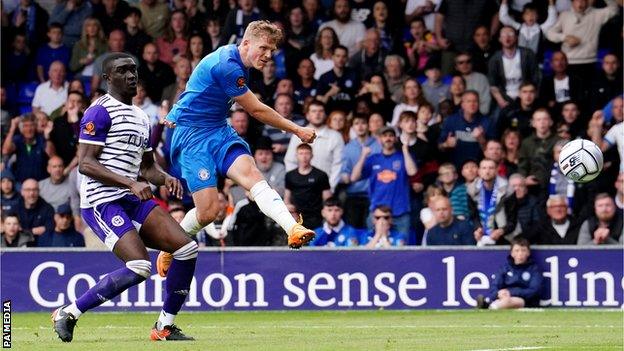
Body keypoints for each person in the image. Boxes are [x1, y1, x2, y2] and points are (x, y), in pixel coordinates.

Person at [51, 53, 197, 342]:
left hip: (130, 197)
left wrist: (165, 178)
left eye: (133, 70)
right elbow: (86, 164)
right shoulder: (98, 112)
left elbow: (146, 167)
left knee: (187, 248)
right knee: (140, 266)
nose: (132, 75)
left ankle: (164, 327)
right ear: (107, 79)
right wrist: (131, 183)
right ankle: (69, 312)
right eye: (123, 71)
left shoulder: (142, 117)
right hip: (101, 201)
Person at [158, 21, 317, 276]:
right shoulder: (227, 66)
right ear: (245, 43)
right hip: (192, 137)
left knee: (253, 176)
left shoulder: (241, 61)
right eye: (263, 48)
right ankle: (170, 246)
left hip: (219, 129)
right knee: (209, 212)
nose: (267, 55)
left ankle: (293, 228)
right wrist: (297, 130)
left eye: (272, 50)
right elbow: (255, 109)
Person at [351, 126, 418, 236]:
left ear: (396, 139)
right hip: (377, 213)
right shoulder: (373, 159)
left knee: (402, 251)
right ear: (379, 139)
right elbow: (354, 177)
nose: (388, 138)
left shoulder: (403, 157)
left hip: (400, 212)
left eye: (391, 136)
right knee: (373, 248)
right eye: (385, 136)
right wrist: (363, 155)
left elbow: (412, 172)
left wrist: (405, 150)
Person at [284, 100, 344, 191]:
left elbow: (338, 165)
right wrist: (295, 184)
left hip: (325, 189)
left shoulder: (335, 136)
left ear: (325, 115)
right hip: (300, 189)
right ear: (307, 115)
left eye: (320, 111)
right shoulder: (297, 135)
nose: (317, 114)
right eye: (314, 111)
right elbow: (290, 161)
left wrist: (330, 188)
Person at [476, 238, 543, 309]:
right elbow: (494, 287)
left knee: (511, 300)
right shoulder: (505, 268)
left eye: (523, 250)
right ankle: (489, 305)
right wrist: (499, 293)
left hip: (526, 301)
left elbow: (535, 290)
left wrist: (510, 293)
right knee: (505, 299)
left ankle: (488, 306)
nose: (520, 254)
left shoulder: (534, 269)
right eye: (517, 251)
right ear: (512, 253)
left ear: (528, 253)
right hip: (503, 298)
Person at [285, 143, 332, 229]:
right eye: (301, 153)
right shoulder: (290, 175)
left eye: (307, 153)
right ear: (296, 156)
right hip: (297, 217)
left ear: (312, 155)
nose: (304, 157)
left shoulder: (321, 175)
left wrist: (326, 215)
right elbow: (287, 198)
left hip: (316, 217)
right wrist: (290, 210)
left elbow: (327, 200)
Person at [468, 159, 514, 246]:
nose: (487, 171)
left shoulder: (508, 190)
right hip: (481, 236)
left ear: (497, 170)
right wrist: (477, 228)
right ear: (479, 171)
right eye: (484, 168)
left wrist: (501, 231)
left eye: (491, 168)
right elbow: (473, 215)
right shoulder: (471, 190)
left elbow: (512, 219)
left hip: (504, 236)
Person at [2, 114, 52, 182]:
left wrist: (47, 137)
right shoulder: (18, 139)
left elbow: (53, 157)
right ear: (21, 129)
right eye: (25, 126)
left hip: (41, 182)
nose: (29, 129)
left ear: (35, 127)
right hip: (21, 183)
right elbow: (5, 151)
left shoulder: (42, 139)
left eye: (31, 125)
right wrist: (12, 129)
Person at [16, 179, 55, 245]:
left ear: (39, 191)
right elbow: (13, 231)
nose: (32, 193)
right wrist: (32, 231)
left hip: (41, 246)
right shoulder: (15, 208)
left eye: (35, 190)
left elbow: (49, 228)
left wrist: (23, 231)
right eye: (28, 190)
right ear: (22, 192)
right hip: (19, 245)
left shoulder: (48, 209)